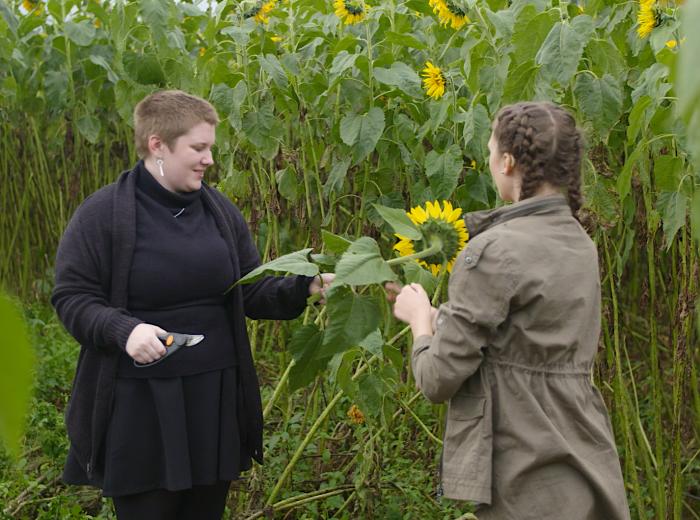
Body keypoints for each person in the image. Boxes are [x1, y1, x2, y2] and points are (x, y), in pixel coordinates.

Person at [51, 90, 332, 519]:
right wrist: (124, 331)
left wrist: (305, 286)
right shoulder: (102, 215)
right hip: (142, 403)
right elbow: (72, 298)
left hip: (213, 398)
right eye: (198, 148)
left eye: (210, 148)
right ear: (157, 144)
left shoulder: (219, 211)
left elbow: (249, 291)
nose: (208, 160)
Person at [387, 101, 631, 519]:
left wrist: (420, 322)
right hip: (584, 462)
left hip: (522, 473)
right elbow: (519, 339)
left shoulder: (493, 250)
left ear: (507, 161)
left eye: (489, 152)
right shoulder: (580, 244)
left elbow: (437, 379)